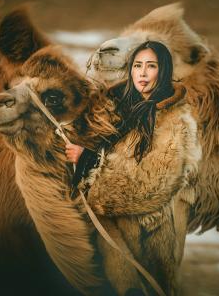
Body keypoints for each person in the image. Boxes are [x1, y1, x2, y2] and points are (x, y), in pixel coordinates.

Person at [65, 41, 201, 295]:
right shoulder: (119, 111)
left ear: (163, 71)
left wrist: (88, 161)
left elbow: (148, 187)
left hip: (150, 238)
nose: (142, 73)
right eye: (137, 66)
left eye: (151, 66)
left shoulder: (176, 123)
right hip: (111, 237)